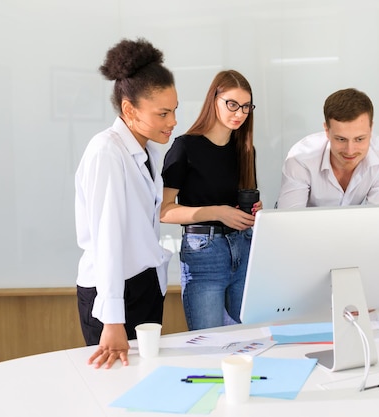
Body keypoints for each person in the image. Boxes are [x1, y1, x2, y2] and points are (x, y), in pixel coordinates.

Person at [75, 38, 177, 369]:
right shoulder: (107, 152)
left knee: (146, 380)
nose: (173, 121)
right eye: (163, 113)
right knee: (115, 387)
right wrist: (112, 319)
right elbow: (108, 241)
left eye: (174, 110)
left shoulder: (149, 151)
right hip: (112, 294)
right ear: (130, 109)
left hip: (144, 284)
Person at [161, 70, 261, 331]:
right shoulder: (185, 147)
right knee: (208, 344)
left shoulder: (245, 150)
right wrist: (218, 212)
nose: (239, 113)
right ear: (213, 100)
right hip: (205, 252)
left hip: (244, 245)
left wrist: (253, 212)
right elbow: (164, 211)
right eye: (232, 104)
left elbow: (239, 202)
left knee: (249, 339)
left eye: (246, 107)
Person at [276, 88, 379, 208]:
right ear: (327, 130)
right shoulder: (301, 158)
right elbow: (289, 220)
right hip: (308, 226)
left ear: (371, 128)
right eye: (341, 139)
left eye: (359, 139)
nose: (350, 151)